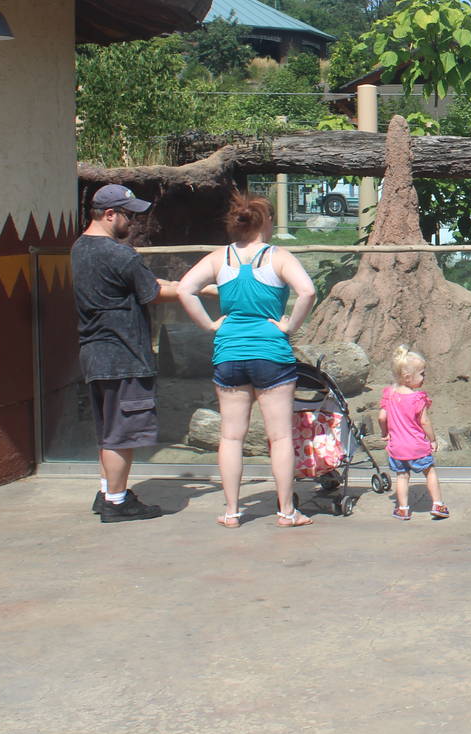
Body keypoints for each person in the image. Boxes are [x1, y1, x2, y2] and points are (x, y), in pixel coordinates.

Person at [178, 192, 317, 528]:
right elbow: (308, 291)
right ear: (265, 222)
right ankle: (286, 512)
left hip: (229, 354)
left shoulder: (219, 257)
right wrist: (288, 325)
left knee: (230, 436)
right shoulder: (278, 257)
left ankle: (231, 512)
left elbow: (185, 289)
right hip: (271, 353)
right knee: (280, 436)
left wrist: (210, 325)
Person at [71, 184, 180, 523]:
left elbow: (137, 284)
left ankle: (107, 491)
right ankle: (116, 502)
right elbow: (152, 293)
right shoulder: (120, 254)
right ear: (109, 214)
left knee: (108, 431)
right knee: (122, 435)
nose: (132, 222)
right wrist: (201, 290)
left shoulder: (79, 248)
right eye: (129, 215)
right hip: (124, 355)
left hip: (95, 352)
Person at [376, 346, 449, 521]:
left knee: (402, 476)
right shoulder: (417, 399)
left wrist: (385, 432)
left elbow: (381, 417)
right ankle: (438, 505)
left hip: (397, 448)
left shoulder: (389, 394)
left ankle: (403, 509)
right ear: (408, 377)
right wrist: (432, 440)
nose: (424, 377)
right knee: (429, 471)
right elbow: (424, 421)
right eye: (422, 374)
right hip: (417, 446)